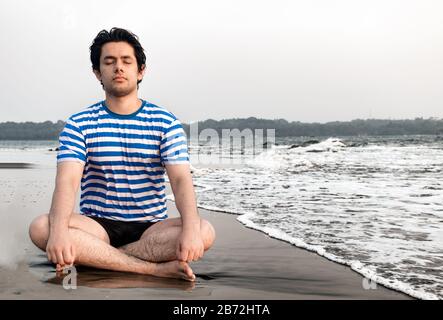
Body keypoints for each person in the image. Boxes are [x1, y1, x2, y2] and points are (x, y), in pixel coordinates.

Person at [28, 27, 215, 282]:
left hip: (150, 229)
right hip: (96, 226)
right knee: (42, 228)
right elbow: (67, 181)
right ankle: (150, 268)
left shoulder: (165, 122)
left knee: (203, 231)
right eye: (109, 61)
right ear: (97, 73)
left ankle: (100, 258)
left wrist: (191, 229)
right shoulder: (79, 123)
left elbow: (181, 179)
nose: (118, 67)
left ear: (140, 71)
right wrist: (60, 232)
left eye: (126, 61)